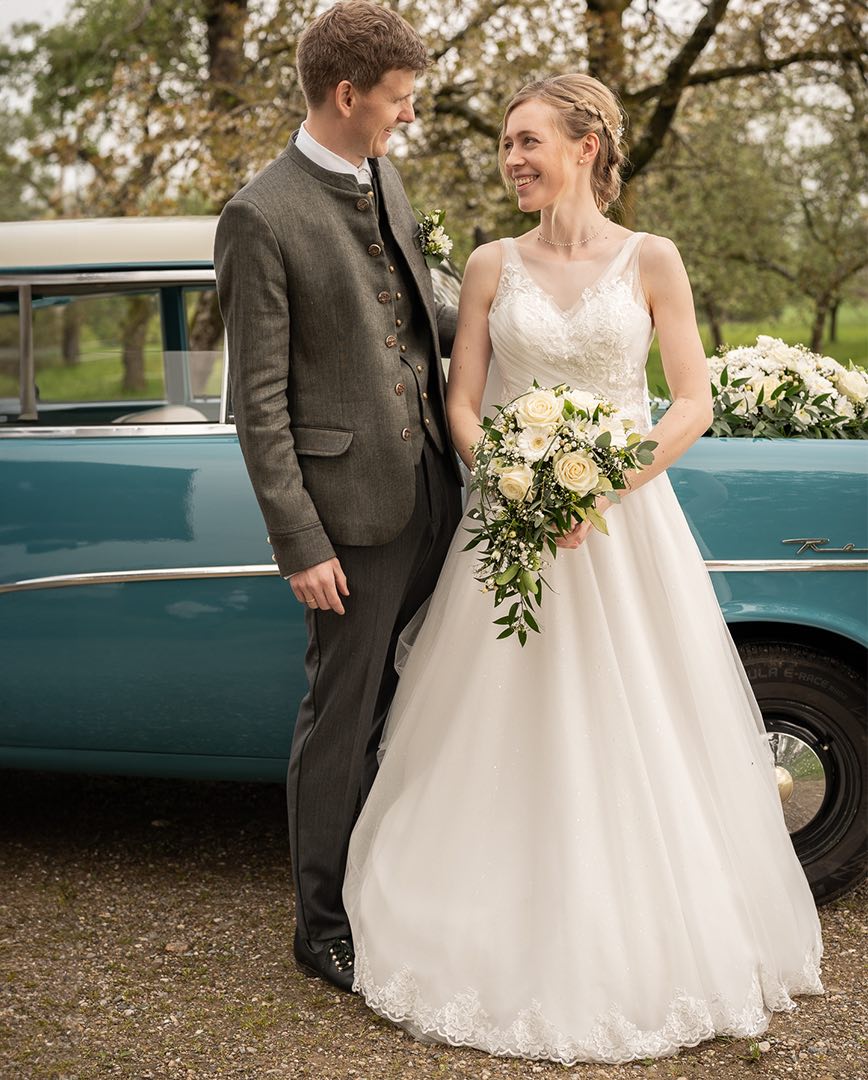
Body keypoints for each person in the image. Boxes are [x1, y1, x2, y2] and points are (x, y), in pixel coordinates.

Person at [342, 73, 823, 1063]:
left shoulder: (653, 259)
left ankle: (649, 927)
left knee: (638, 718)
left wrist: (608, 485)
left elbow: (688, 398)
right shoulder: (487, 264)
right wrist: (514, 483)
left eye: (528, 142)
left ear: (587, 145)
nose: (512, 159)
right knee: (501, 723)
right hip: (513, 533)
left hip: (625, 530)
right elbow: (461, 402)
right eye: (506, 145)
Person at [214, 0, 462, 993]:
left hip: (435, 489)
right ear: (348, 94)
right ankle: (321, 923)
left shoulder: (383, 174)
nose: (406, 118)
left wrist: (525, 313)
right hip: (350, 521)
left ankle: (392, 885)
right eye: (397, 101)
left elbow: (418, 321)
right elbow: (257, 404)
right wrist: (300, 541)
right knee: (341, 714)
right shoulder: (258, 215)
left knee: (419, 703)